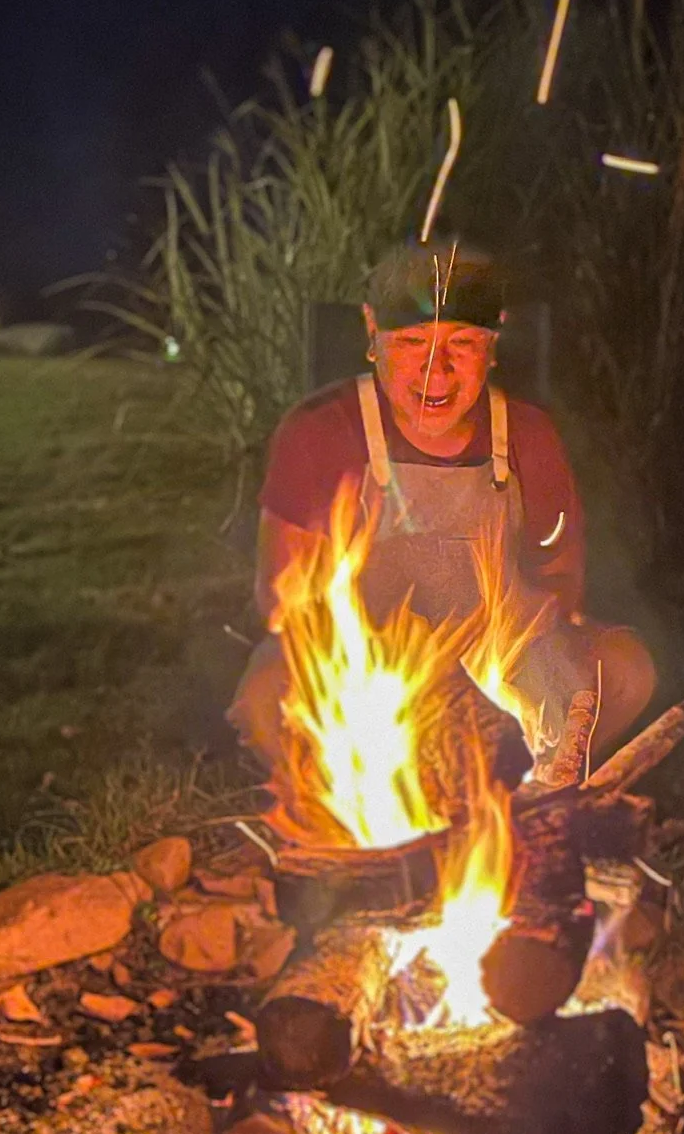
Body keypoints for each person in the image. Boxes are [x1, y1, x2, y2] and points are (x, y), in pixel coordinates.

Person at [228, 237, 655, 778]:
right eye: (410, 342)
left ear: (494, 342)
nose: (436, 369)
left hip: (500, 662)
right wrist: (407, 678)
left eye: (463, 342)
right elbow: (281, 598)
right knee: (267, 693)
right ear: (371, 333)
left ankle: (533, 797)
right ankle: (354, 808)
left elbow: (559, 581)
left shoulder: (527, 435)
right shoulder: (321, 431)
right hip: (369, 669)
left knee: (625, 669)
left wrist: (505, 673)